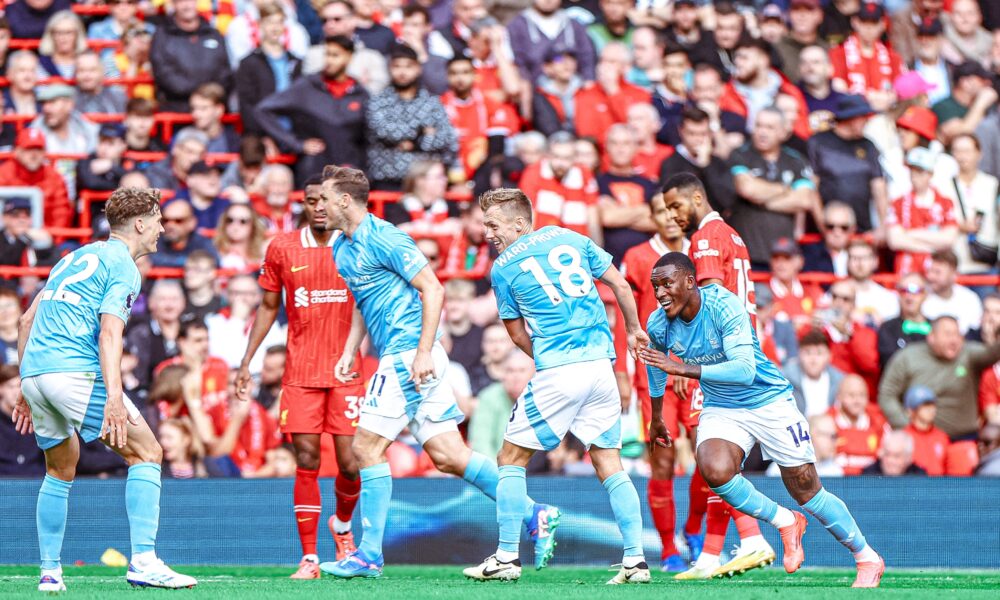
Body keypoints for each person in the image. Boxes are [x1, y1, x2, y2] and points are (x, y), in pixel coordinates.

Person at [317, 166, 560, 579]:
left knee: (365, 450)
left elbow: (434, 288)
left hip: (410, 354)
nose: (317, 205)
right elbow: (363, 299)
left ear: (344, 200)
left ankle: (369, 555)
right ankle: (535, 513)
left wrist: (424, 351)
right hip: (404, 355)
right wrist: (349, 350)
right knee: (450, 457)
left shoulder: (386, 237)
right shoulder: (341, 245)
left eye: (323, 198)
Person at [641, 252, 884, 589]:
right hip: (723, 406)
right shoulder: (658, 323)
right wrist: (655, 416)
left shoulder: (724, 306)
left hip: (768, 399)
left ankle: (866, 556)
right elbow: (655, 365)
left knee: (806, 488)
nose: (660, 293)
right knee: (713, 469)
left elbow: (744, 370)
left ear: (690, 281)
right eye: (656, 287)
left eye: (667, 284)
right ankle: (784, 521)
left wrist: (684, 369)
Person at [462, 187, 649, 584]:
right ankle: (635, 561)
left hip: (560, 370)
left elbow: (515, 334)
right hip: (601, 367)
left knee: (510, 458)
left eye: (493, 225)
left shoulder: (503, 267)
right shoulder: (571, 237)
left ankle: (507, 558)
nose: (488, 233)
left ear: (519, 222)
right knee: (609, 462)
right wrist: (633, 330)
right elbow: (621, 285)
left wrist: (548, 358)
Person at [14, 187, 197, 591]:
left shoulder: (72, 257)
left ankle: (49, 573)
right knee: (147, 451)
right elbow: (110, 332)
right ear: (140, 223)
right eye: (158, 220)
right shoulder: (124, 265)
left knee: (61, 467)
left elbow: (27, 319)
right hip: (73, 371)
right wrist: (114, 396)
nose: (162, 228)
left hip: (37, 373)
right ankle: (144, 562)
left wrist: (25, 386)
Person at [234, 178, 364, 578]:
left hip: (347, 370)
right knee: (305, 460)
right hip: (301, 371)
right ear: (304, 205)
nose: (319, 208)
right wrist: (246, 360)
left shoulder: (359, 244)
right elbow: (268, 305)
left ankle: (342, 526)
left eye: (324, 200)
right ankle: (309, 557)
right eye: (311, 201)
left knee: (351, 462)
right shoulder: (283, 247)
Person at [660, 173, 774, 580]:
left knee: (715, 458)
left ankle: (754, 537)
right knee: (715, 459)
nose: (672, 216)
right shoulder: (733, 235)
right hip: (746, 355)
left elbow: (710, 303)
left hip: (721, 360)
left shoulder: (705, 240)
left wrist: (686, 361)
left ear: (696, 198)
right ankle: (710, 554)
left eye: (676, 206)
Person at [879, 315, 1000, 440]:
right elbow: (887, 394)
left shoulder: (969, 353)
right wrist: (906, 425)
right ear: (931, 337)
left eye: (957, 334)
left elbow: (992, 353)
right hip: (922, 437)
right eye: (947, 334)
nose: (954, 340)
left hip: (964, 438)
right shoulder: (907, 357)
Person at [729, 107, 818, 269]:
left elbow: (805, 200)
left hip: (784, 257)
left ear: (783, 132)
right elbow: (747, 189)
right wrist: (785, 189)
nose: (762, 132)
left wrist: (760, 200)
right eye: (758, 126)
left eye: (769, 128)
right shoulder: (739, 154)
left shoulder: (796, 160)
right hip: (745, 256)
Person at [365, 42, 457, 189]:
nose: (402, 72)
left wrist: (415, 142)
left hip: (424, 182)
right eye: (397, 66)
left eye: (408, 66)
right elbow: (384, 131)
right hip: (387, 180)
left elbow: (446, 137)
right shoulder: (378, 101)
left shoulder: (432, 102)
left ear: (418, 68)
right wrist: (423, 132)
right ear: (389, 68)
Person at [807, 95, 887, 235]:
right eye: (863, 117)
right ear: (851, 118)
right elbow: (812, 187)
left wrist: (883, 226)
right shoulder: (818, 143)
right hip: (829, 228)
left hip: (862, 228)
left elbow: (879, 187)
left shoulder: (868, 146)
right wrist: (823, 227)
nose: (867, 121)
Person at [234, 1, 304, 138]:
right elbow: (247, 106)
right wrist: (264, 137)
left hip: (292, 133)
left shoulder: (295, 62)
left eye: (279, 22)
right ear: (260, 24)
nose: (275, 27)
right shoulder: (248, 63)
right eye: (270, 22)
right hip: (262, 134)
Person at [886, 147, 960, 275]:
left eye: (920, 171)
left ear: (930, 174)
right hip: (907, 269)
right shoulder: (898, 203)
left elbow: (949, 239)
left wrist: (910, 233)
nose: (915, 176)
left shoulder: (945, 202)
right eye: (912, 171)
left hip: (937, 271)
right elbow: (895, 241)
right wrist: (932, 245)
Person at [149, 0, 233, 112]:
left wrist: (211, 94)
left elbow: (224, 69)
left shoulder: (213, 33)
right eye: (181, 1)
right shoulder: (162, 35)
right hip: (177, 108)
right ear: (173, 5)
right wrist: (199, 93)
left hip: (212, 107)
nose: (187, 5)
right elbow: (163, 72)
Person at [519, 132, 601, 241]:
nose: (560, 163)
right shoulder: (534, 172)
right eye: (556, 156)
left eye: (566, 158)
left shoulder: (584, 174)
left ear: (574, 158)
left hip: (577, 242)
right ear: (548, 155)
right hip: (542, 241)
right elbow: (527, 214)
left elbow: (592, 215)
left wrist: (597, 247)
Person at [659, 107, 736, 217]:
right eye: (692, 133)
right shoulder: (670, 164)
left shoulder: (718, 163)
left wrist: (706, 166)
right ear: (681, 131)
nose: (698, 139)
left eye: (703, 134)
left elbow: (727, 202)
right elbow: (678, 202)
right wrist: (700, 168)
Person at [829, 2, 903, 112]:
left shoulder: (893, 57)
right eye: (864, 22)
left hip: (885, 115)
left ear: (883, 24)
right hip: (852, 115)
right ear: (854, 22)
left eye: (874, 22)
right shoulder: (838, 53)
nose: (869, 28)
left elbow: (900, 90)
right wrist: (869, 98)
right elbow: (838, 89)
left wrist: (886, 98)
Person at [506, 0, 597, 84]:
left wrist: (588, 82)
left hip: (574, 92)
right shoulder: (517, 26)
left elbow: (587, 59)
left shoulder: (573, 24)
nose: (548, 0)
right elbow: (518, 64)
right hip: (535, 92)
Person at [0, 129, 72, 230]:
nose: (34, 155)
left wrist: (49, 237)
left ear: (44, 152)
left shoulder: (54, 177)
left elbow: (61, 214)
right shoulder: (3, 173)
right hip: (7, 237)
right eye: (28, 149)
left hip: (43, 238)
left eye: (38, 149)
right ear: (17, 151)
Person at [468, 350, 534, 459]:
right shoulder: (488, 397)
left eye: (522, 371)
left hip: (541, 472)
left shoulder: (542, 396)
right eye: (510, 371)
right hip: (498, 469)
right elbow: (480, 444)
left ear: (533, 374)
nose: (515, 377)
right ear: (502, 374)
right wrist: (501, 473)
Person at [830, 374, 887, 475]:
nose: (857, 400)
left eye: (862, 395)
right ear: (839, 396)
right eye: (851, 395)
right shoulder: (827, 422)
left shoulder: (879, 421)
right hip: (836, 484)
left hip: (871, 483)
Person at [783, 328, 845, 419]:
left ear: (829, 356)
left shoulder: (840, 380)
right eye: (808, 353)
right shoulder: (785, 378)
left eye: (819, 353)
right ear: (799, 354)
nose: (813, 359)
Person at [933, 61, 998, 145]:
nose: (988, 83)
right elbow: (963, 134)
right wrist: (981, 102)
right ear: (966, 82)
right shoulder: (942, 106)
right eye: (982, 80)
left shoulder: (986, 107)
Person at [877, 272, 931, 369]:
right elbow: (890, 363)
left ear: (926, 295)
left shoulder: (936, 327)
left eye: (915, 291)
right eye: (904, 291)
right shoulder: (888, 328)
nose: (909, 297)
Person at [922, 249, 983, 335]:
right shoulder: (921, 297)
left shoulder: (970, 299)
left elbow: (974, 331)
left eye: (937, 272)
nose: (930, 276)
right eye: (929, 271)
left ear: (954, 275)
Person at [150, 199, 219, 268]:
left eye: (178, 221)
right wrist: (187, 262)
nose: (170, 225)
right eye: (165, 220)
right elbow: (150, 259)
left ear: (192, 223)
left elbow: (214, 262)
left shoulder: (202, 243)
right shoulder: (155, 241)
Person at [902, 385, 952, 476]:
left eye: (932, 405)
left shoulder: (942, 436)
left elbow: (948, 470)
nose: (931, 409)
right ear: (911, 411)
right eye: (925, 406)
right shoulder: (903, 437)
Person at [803, 202, 856, 277]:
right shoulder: (809, 256)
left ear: (852, 229)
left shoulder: (861, 255)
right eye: (830, 227)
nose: (837, 232)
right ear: (823, 227)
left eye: (844, 227)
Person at [213, 203, 266, 273]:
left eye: (243, 221)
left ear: (253, 225)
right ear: (224, 223)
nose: (235, 226)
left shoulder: (263, 254)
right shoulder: (215, 253)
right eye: (230, 220)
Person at [860, 431, 926, 476]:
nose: (890, 461)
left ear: (908, 458)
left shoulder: (919, 477)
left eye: (897, 456)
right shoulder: (868, 475)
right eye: (887, 454)